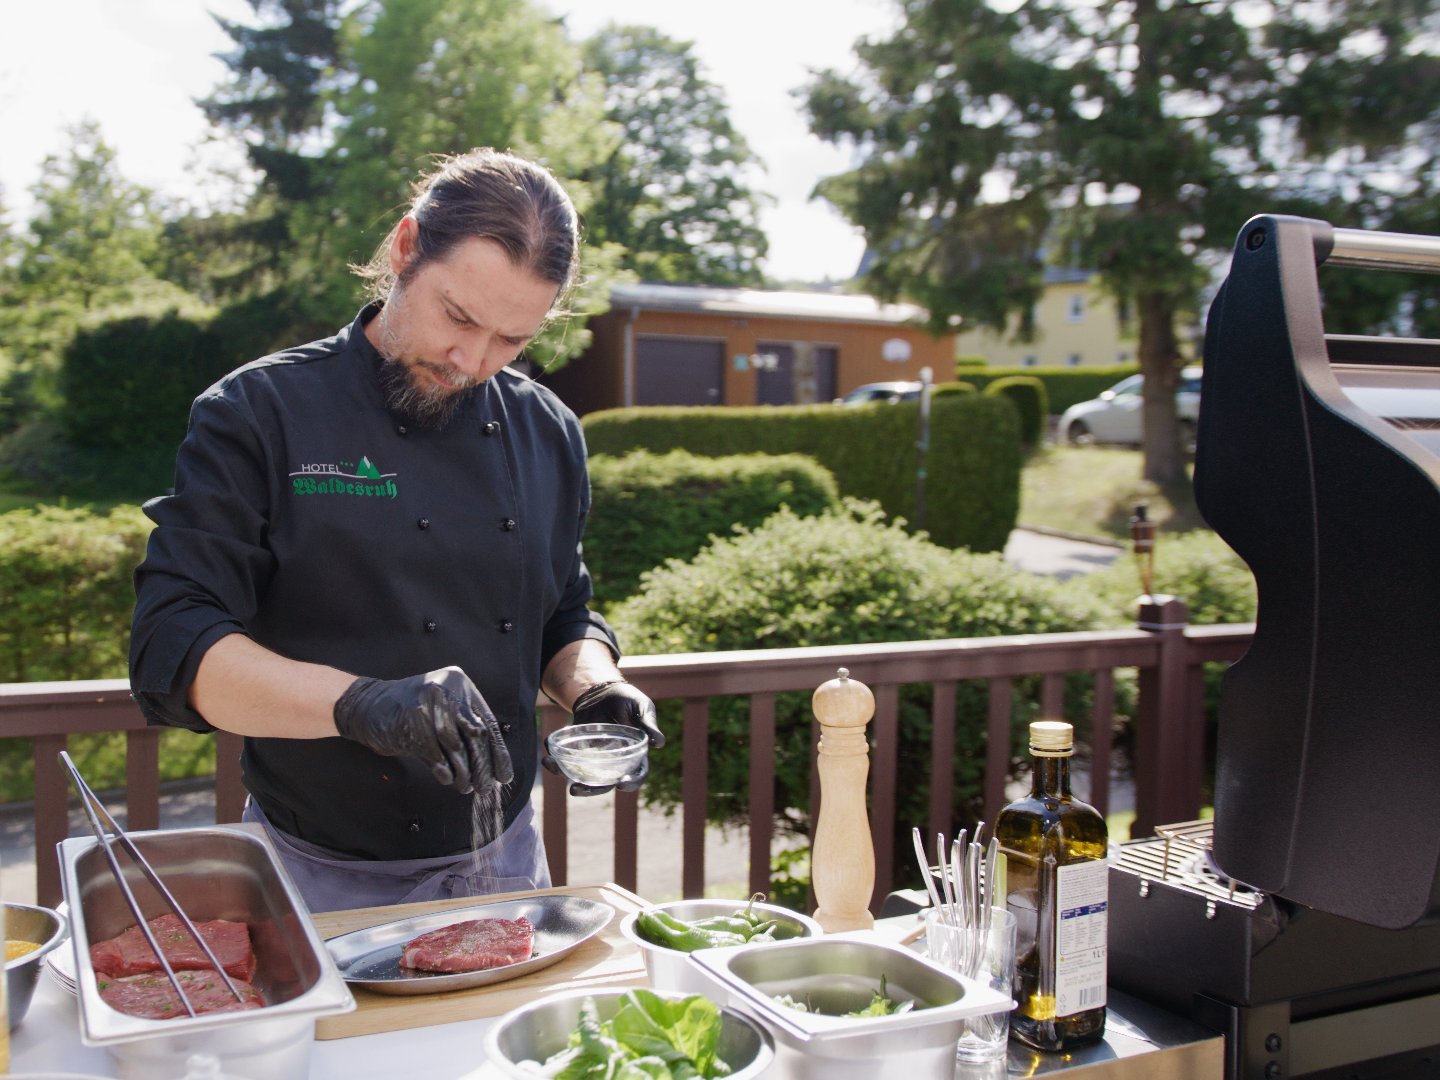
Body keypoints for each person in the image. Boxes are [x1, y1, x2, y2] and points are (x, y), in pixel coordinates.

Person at [129, 148, 662, 914]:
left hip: (507, 860)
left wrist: (596, 686)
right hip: (309, 872)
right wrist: (360, 704)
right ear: (407, 248)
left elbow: (562, 614)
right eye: (458, 317)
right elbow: (171, 645)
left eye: (512, 340)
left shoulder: (549, 432)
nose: (472, 361)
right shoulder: (258, 413)